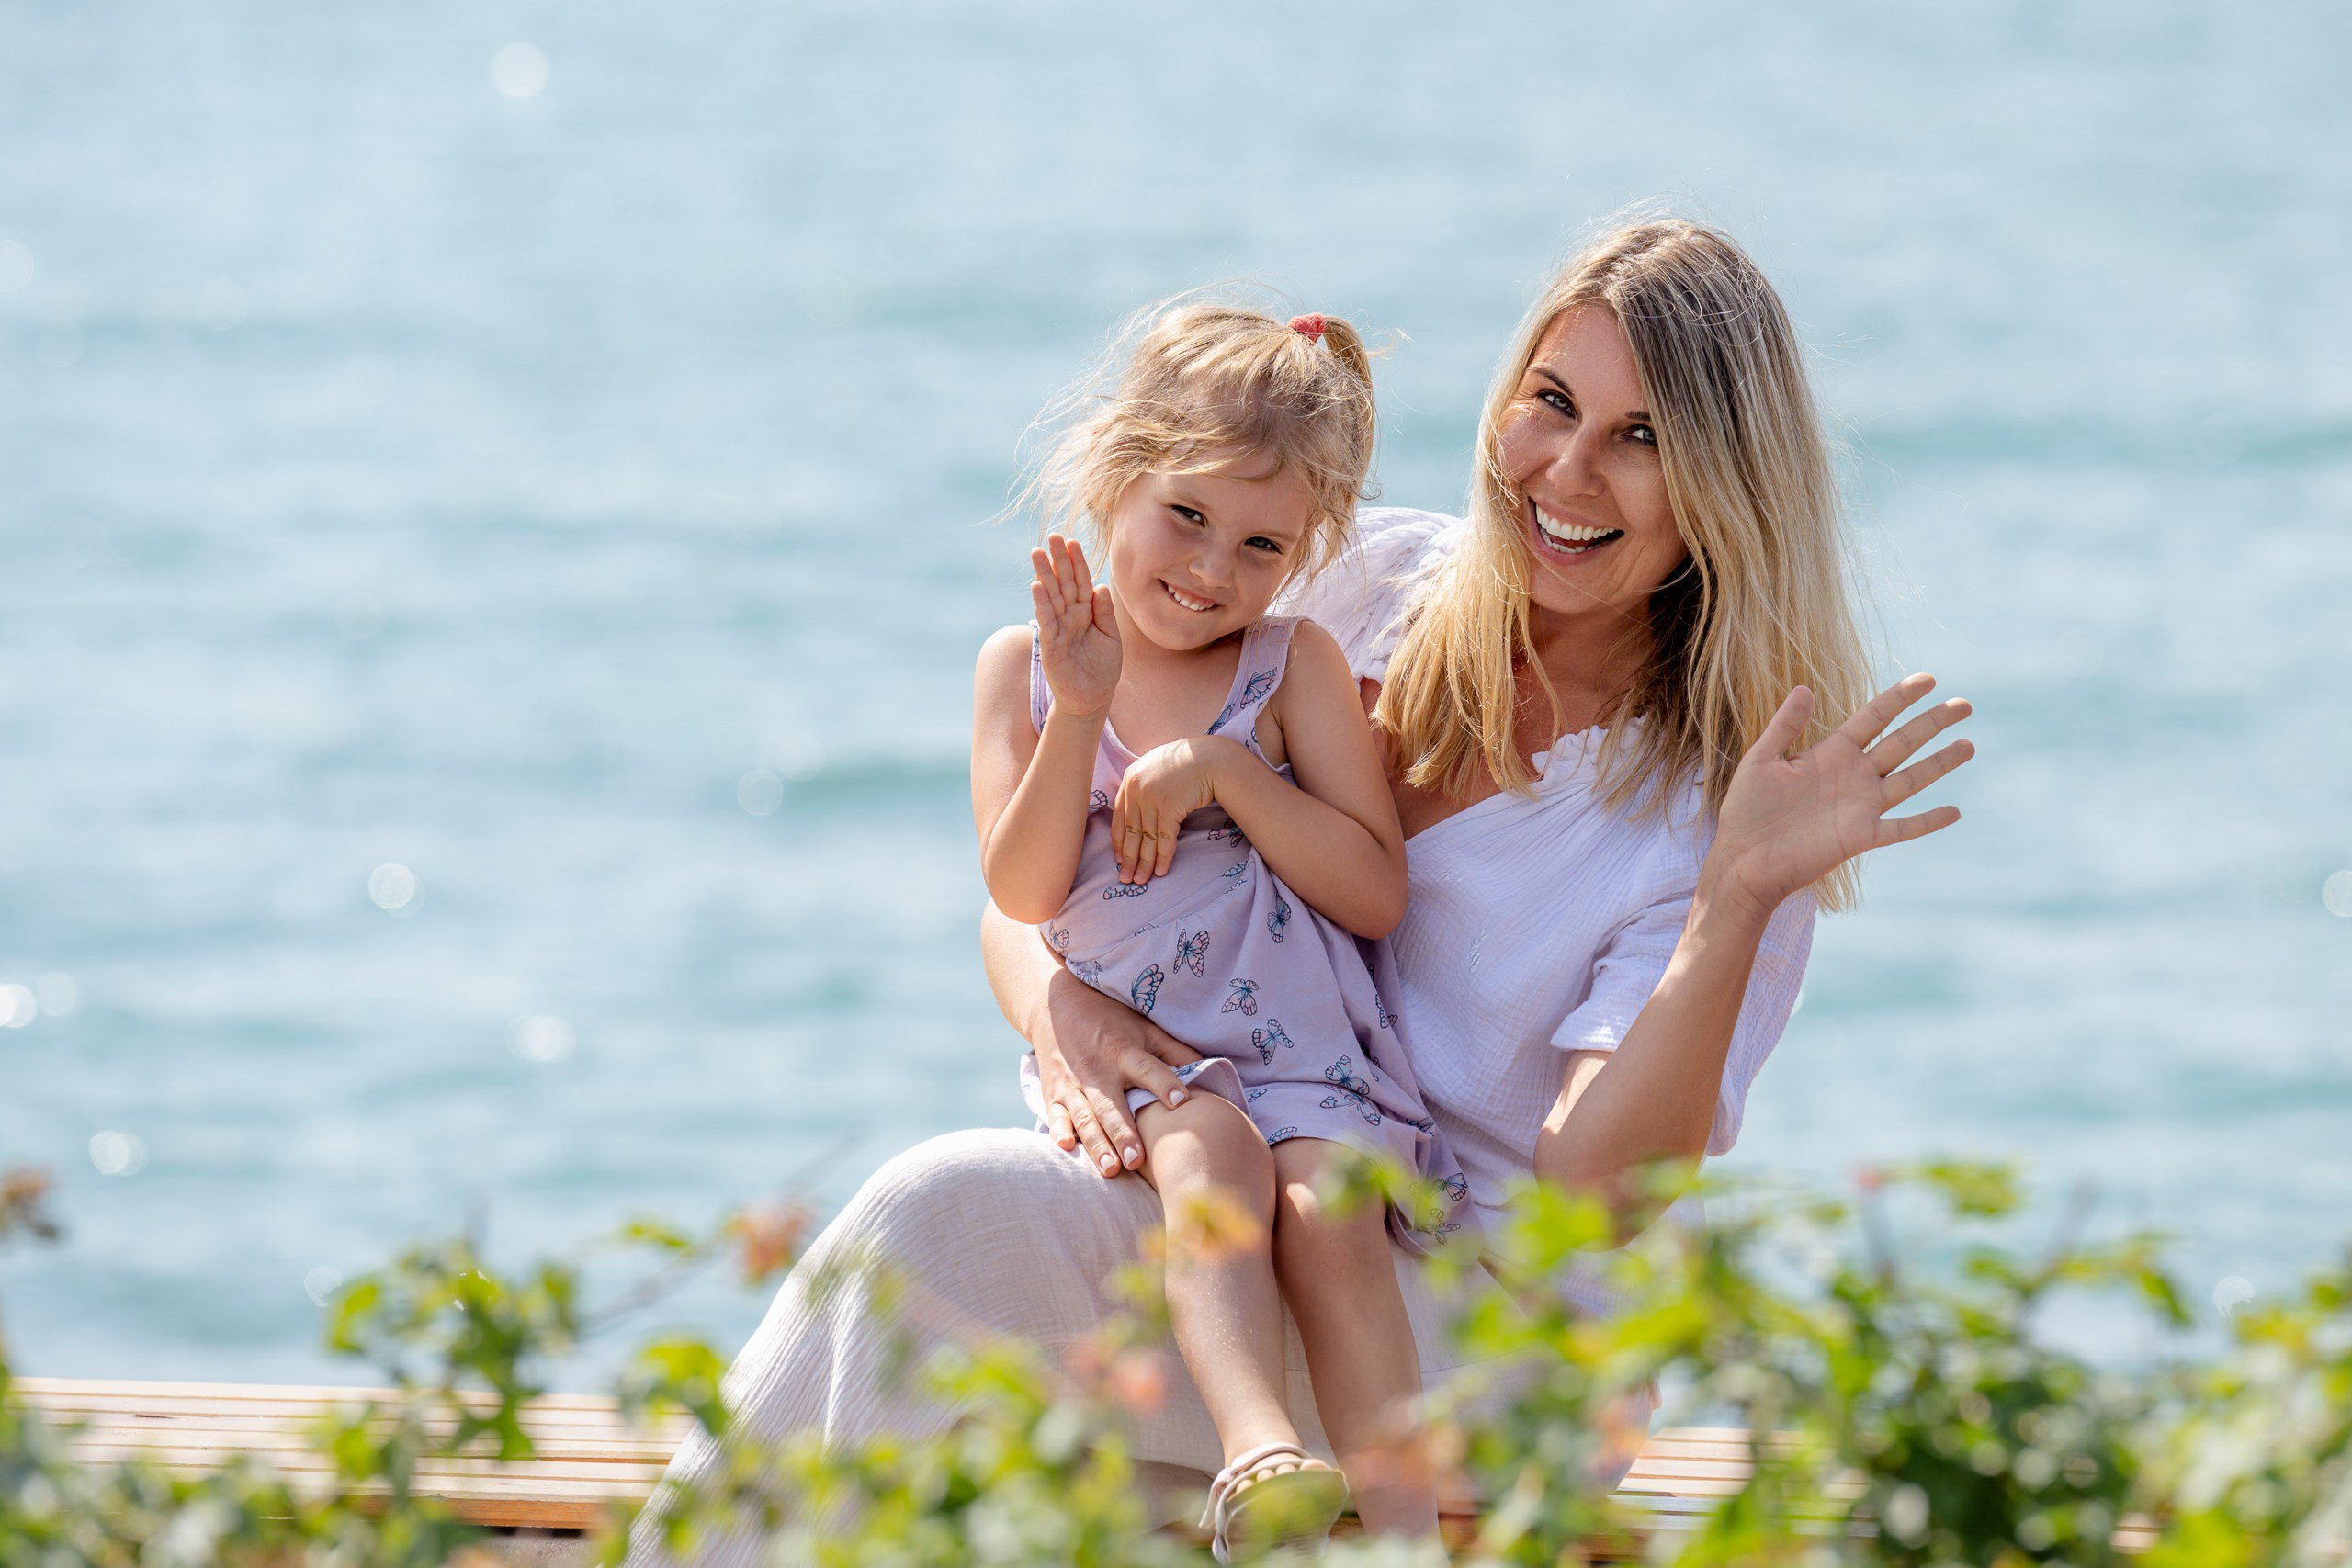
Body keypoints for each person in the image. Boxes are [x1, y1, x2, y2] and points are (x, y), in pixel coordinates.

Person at [626, 217, 1975, 1565]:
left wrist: (1736, 898)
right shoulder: (1361, 580)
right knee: (931, 1309)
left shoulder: (1717, 805)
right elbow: (1047, 889)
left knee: (942, 1224)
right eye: (1552, 402)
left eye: (1642, 437)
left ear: (1723, 490)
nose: (1568, 468)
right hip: (1232, 1188)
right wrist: (1064, 1019)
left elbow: (1597, 1186)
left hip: (1462, 1314)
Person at [973, 300, 1475, 1554]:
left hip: (1300, 1046)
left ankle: (1408, 1534)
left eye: (1262, 545)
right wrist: (1084, 713)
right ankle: (1262, 1461)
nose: (1210, 571)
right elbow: (1025, 890)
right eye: (1186, 516)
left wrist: (1233, 776)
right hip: (1144, 1053)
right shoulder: (1021, 672)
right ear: (1115, 472)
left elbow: (1373, 891)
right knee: (1212, 1166)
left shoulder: (1294, 666)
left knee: (1331, 1210)